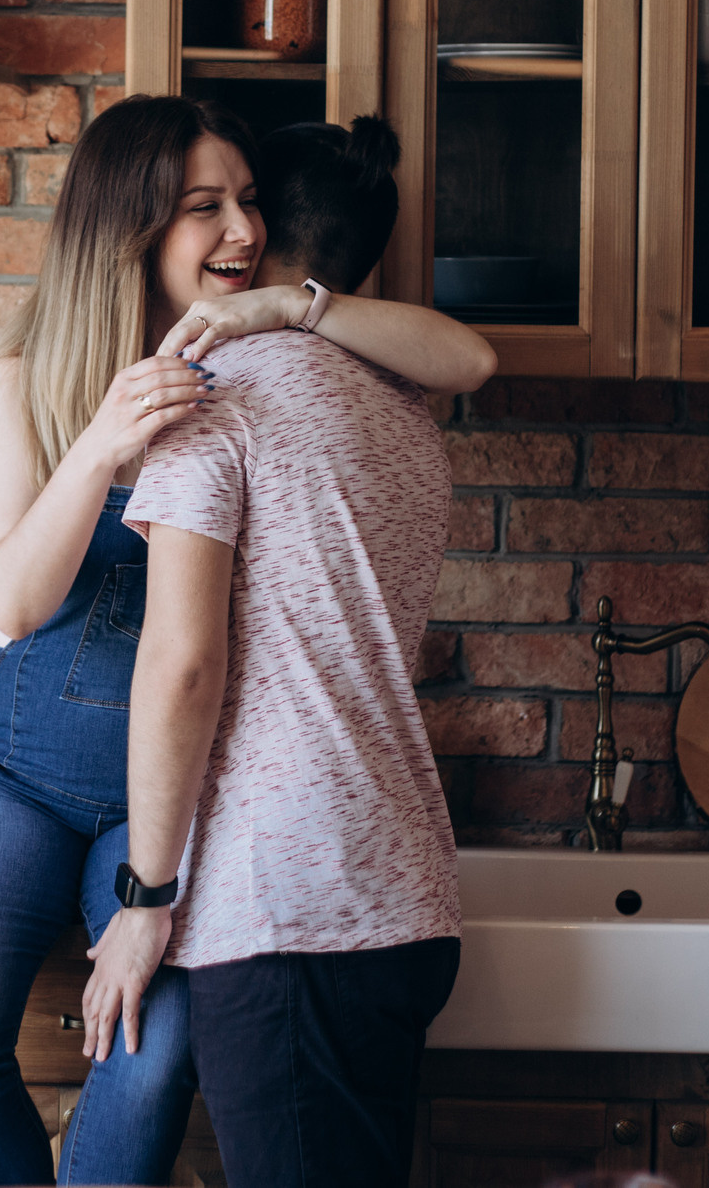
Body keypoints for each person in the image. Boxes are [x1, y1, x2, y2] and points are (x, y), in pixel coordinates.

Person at [0, 96, 493, 1187]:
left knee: (153, 1059)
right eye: (204, 208)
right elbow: (15, 606)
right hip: (9, 771)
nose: (242, 232)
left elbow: (463, 358)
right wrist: (101, 446)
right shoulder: (30, 380)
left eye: (250, 202)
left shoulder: (243, 376)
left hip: (161, 800)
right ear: (130, 230)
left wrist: (290, 307)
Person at [85, 115, 463, 1188]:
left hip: (288, 907)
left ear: (256, 238)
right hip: (400, 896)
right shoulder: (404, 411)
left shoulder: (219, 400)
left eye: (232, 206)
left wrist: (144, 899)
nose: (224, 230)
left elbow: (184, 667)